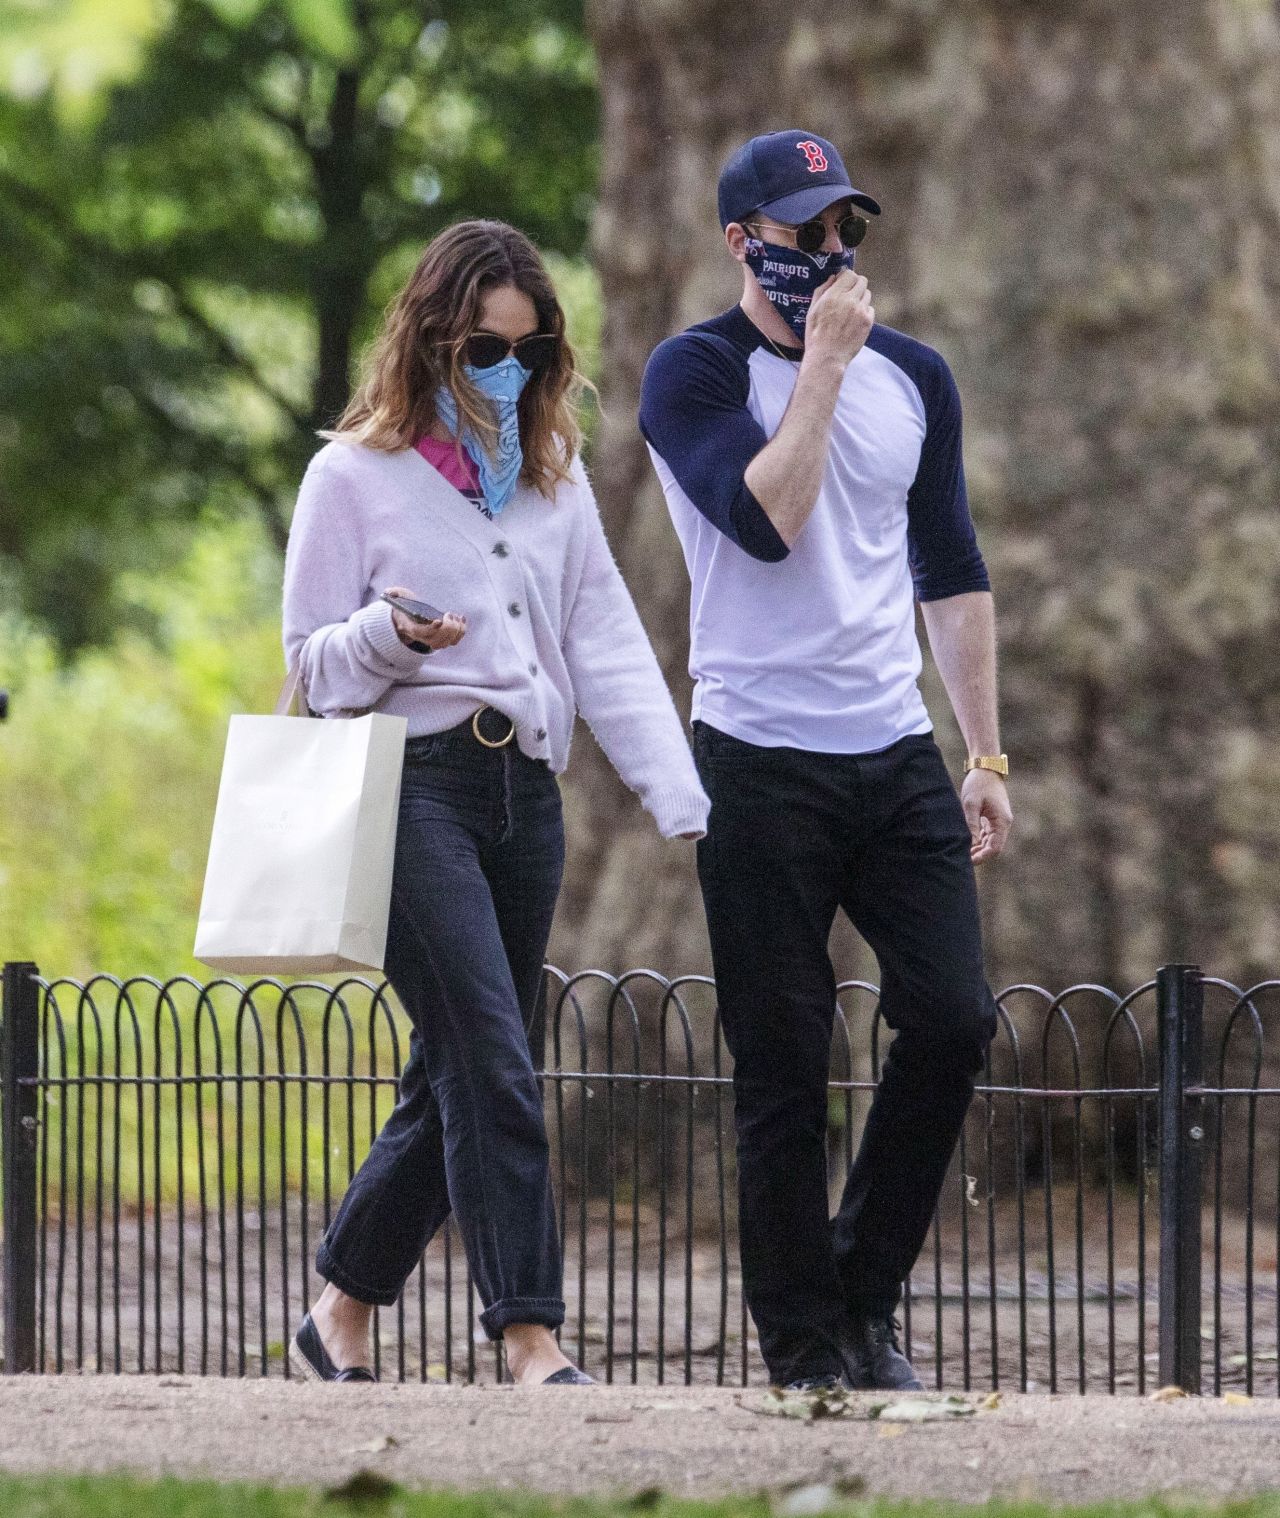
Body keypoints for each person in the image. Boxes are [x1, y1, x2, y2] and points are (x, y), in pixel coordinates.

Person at [283, 219, 709, 1386]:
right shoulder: (351, 475)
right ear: (429, 340)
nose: (504, 371)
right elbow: (312, 667)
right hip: (410, 787)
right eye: (481, 347)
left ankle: (337, 1313)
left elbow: (608, 646)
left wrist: (684, 803)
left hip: (525, 791)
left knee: (466, 1062)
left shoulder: (552, 487)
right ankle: (529, 1333)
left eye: (528, 349)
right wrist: (388, 632)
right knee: (492, 1056)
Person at [638, 130, 1012, 1392]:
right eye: (805, 233)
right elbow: (761, 520)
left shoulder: (918, 379)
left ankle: (862, 1296)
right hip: (753, 757)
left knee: (954, 1018)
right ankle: (803, 1349)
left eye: (846, 229)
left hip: (894, 749)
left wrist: (984, 751)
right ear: (744, 241)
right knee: (784, 1062)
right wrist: (820, 370)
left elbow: (948, 569)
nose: (832, 253)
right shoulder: (690, 372)